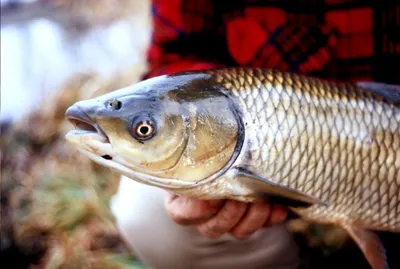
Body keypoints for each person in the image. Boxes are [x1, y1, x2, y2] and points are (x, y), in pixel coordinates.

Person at [111, 1, 399, 269]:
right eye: (144, 130)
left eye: (144, 130)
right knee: (147, 214)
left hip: (384, 124)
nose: (143, 131)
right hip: (256, 124)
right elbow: (179, 51)